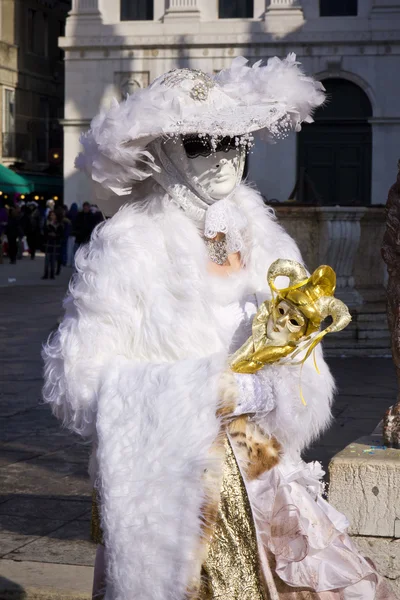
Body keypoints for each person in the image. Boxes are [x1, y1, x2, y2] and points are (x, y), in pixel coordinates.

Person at [42, 57, 395, 600]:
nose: (223, 157)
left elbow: (303, 365)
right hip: (176, 480)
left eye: (232, 140)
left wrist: (265, 388)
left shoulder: (267, 241)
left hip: (264, 460)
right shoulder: (129, 247)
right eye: (200, 143)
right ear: (163, 153)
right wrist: (198, 393)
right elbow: (80, 384)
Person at [42, 210, 63, 279]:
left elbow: (60, 234)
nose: (52, 216)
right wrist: (49, 234)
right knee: (47, 260)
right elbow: (44, 233)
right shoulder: (47, 223)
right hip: (48, 243)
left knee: (53, 260)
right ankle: (46, 274)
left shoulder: (59, 224)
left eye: (53, 215)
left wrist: (55, 235)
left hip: (55, 244)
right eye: (51, 215)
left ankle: (52, 274)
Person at [66, 202, 79, 266]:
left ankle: (68, 262)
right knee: (75, 250)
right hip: (75, 235)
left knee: (69, 249)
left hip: (69, 234)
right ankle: (74, 263)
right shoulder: (78, 215)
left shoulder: (68, 214)